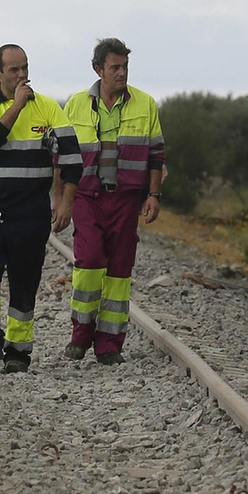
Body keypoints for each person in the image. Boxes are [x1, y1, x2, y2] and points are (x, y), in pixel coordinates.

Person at [0, 45, 80, 372]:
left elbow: (72, 158)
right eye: (13, 70)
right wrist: (16, 107)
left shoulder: (46, 107)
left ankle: (18, 351)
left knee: (24, 279)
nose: (21, 76)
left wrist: (65, 201)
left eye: (24, 68)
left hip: (30, 209)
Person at [62, 38, 164, 365]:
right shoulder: (75, 105)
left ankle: (109, 344)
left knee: (120, 271)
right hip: (87, 196)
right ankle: (81, 333)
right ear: (98, 70)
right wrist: (59, 200)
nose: (122, 73)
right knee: (89, 261)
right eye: (115, 67)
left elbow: (156, 155)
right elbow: (61, 157)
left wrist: (153, 196)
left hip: (126, 199)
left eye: (125, 67)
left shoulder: (145, 104)